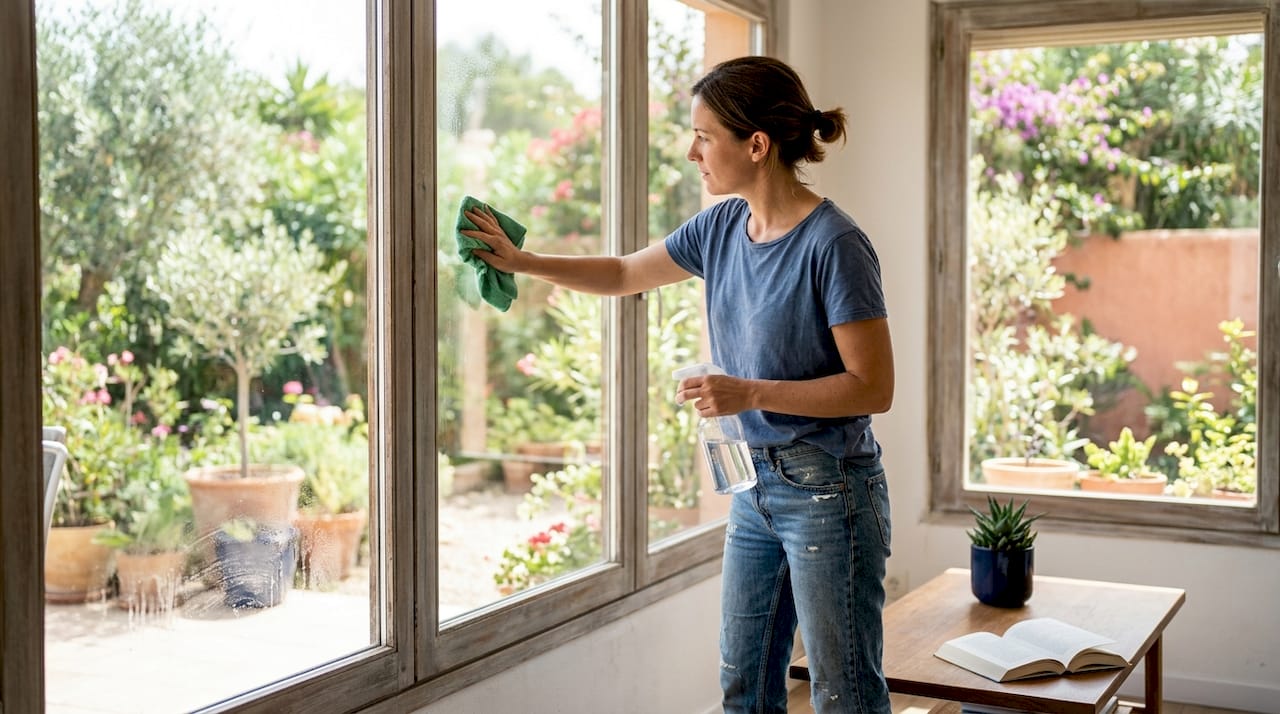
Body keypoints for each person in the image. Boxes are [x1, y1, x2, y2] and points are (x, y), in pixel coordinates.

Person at [462, 55, 894, 714]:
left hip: (829, 489)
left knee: (845, 694)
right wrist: (523, 262)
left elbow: (872, 387)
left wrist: (749, 393)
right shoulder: (721, 227)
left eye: (704, 135)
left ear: (756, 145)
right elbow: (622, 272)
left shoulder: (834, 244)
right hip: (755, 488)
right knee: (744, 687)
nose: (692, 151)